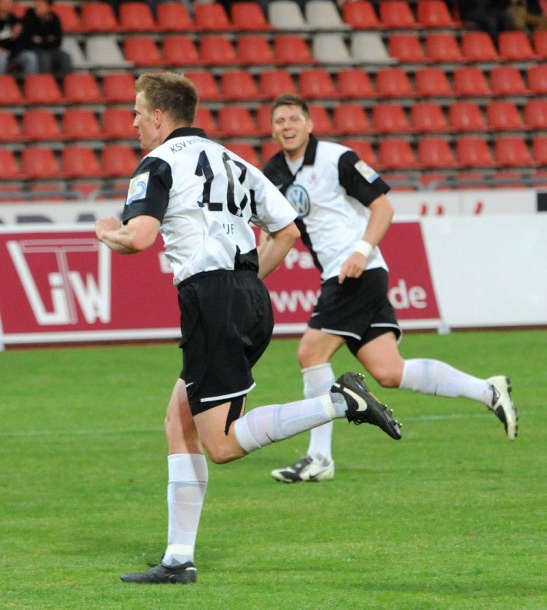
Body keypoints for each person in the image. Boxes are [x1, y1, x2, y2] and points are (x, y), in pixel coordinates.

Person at [95, 70, 402, 583]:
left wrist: (111, 233)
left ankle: (341, 402)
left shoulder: (158, 163)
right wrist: (244, 284)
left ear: (156, 116)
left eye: (135, 112)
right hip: (250, 296)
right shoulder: (236, 161)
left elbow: (140, 238)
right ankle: (177, 557)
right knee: (180, 421)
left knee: (221, 444)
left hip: (211, 299)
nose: (132, 124)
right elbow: (284, 230)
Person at [262, 93, 518, 483]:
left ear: (309, 123)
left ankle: (319, 458)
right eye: (280, 121)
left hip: (356, 271)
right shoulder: (274, 173)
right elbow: (275, 233)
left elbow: (383, 207)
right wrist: (250, 276)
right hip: (340, 273)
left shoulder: (338, 158)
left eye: (294, 119)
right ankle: (488, 390)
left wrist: (362, 252)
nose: (287, 126)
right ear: (273, 128)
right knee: (388, 371)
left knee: (311, 351)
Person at [13, 0, 73, 78]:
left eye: (41, 5)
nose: (37, 7)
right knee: (45, 58)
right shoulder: (29, 16)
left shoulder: (54, 19)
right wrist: (47, 39)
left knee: (65, 57)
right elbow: (28, 39)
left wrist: (41, 40)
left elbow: (58, 40)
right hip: (34, 49)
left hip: (51, 49)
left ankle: (64, 84)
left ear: (49, 7)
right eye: (37, 4)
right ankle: (45, 84)